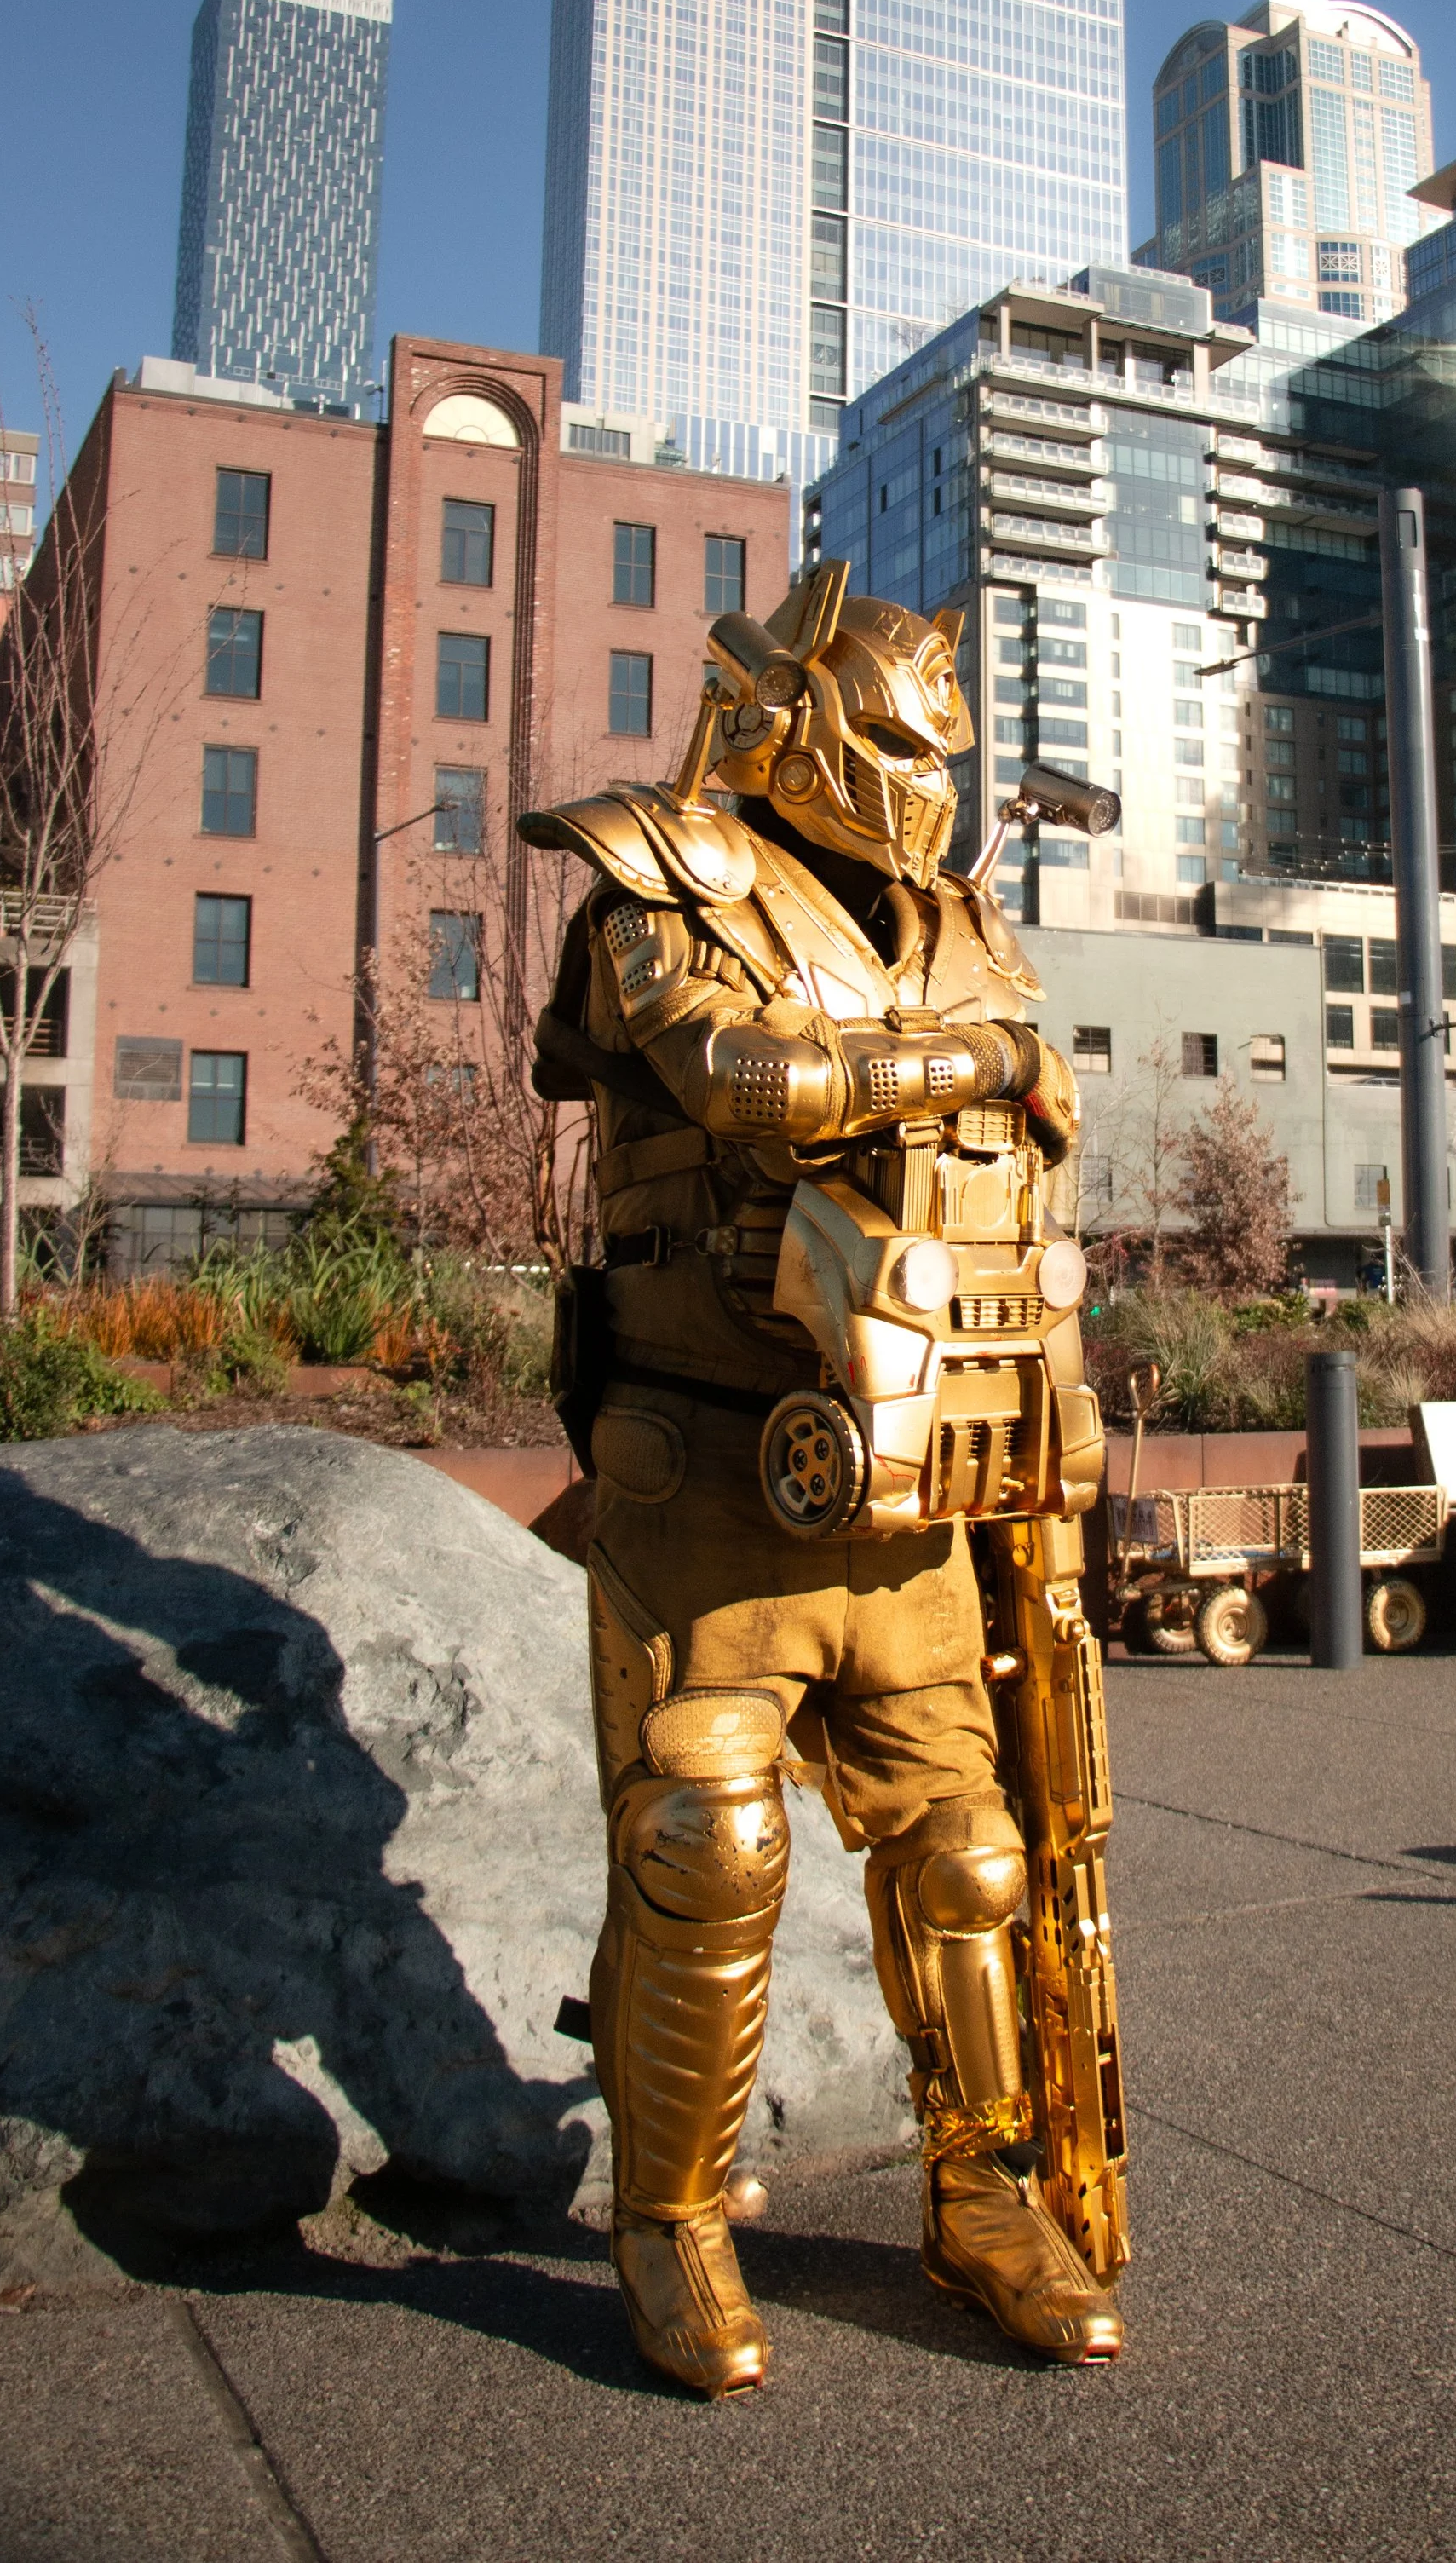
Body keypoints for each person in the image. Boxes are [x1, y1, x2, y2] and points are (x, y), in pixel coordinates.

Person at [520, 563, 1125, 2398]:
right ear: (792, 719)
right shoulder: (659, 878)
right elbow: (739, 1080)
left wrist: (1052, 1423)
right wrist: (988, 1058)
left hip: (917, 1479)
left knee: (973, 1854)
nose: (923, 784)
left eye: (940, 750)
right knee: (708, 1846)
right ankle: (672, 2217)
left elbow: (1027, 1171)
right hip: (707, 1473)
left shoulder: (965, 922)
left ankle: (983, 2192)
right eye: (889, 744)